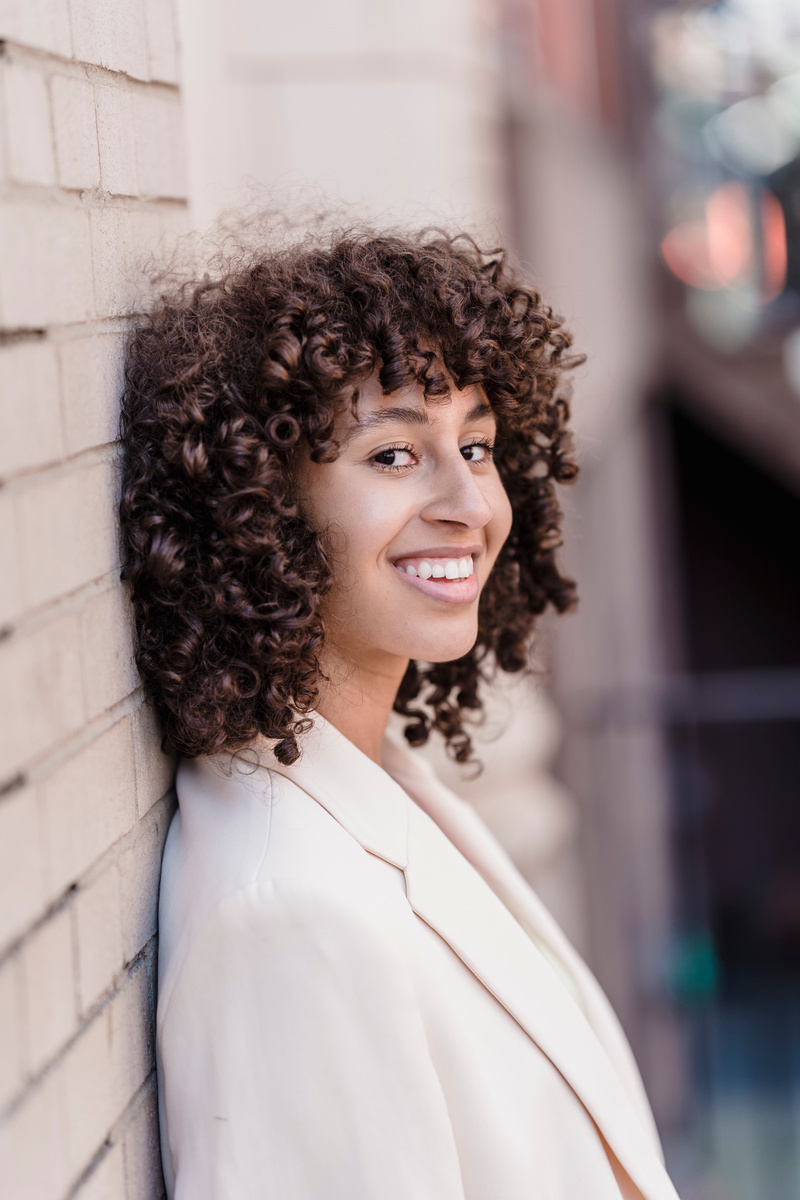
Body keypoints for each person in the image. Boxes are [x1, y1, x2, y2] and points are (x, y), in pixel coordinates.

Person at [120, 227, 680, 1200]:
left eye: (474, 444)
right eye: (392, 454)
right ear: (264, 505)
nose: (468, 501)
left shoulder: (379, 785)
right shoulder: (288, 909)